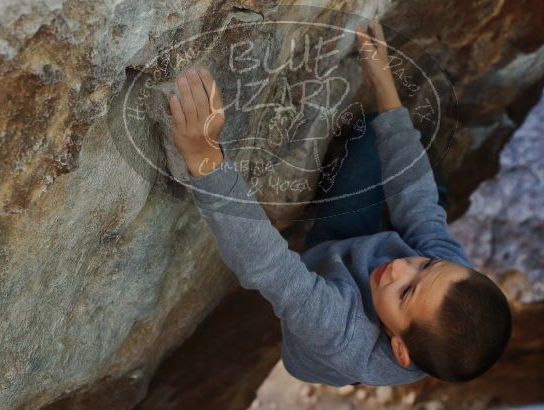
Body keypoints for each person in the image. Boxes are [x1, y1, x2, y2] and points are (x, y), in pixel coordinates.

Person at [167, 21, 511, 386]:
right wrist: (384, 85)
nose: (398, 268)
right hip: (355, 253)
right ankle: (428, 191)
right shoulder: (449, 279)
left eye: (407, 291)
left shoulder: (343, 334)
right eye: (424, 264)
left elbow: (269, 266)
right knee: (381, 144)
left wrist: (203, 156)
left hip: (326, 274)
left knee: (379, 173)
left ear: (399, 349)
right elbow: (419, 206)